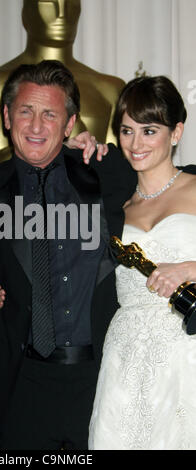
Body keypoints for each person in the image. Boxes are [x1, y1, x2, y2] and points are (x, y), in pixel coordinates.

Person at [0, 59, 136, 450]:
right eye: (26, 111)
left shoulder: (106, 175)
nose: (35, 126)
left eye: (50, 114)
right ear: (6, 116)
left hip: (101, 380)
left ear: (70, 125)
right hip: (21, 381)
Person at [88, 75, 196, 450]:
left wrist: (191, 268)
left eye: (149, 130)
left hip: (187, 350)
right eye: (127, 131)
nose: (135, 144)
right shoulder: (115, 206)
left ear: (176, 132)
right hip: (125, 353)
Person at [0, 0, 125, 166]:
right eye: (48, 3)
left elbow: (115, 162)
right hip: (22, 189)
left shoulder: (110, 88)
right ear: (27, 13)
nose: (62, 14)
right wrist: (62, 151)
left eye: (72, 5)